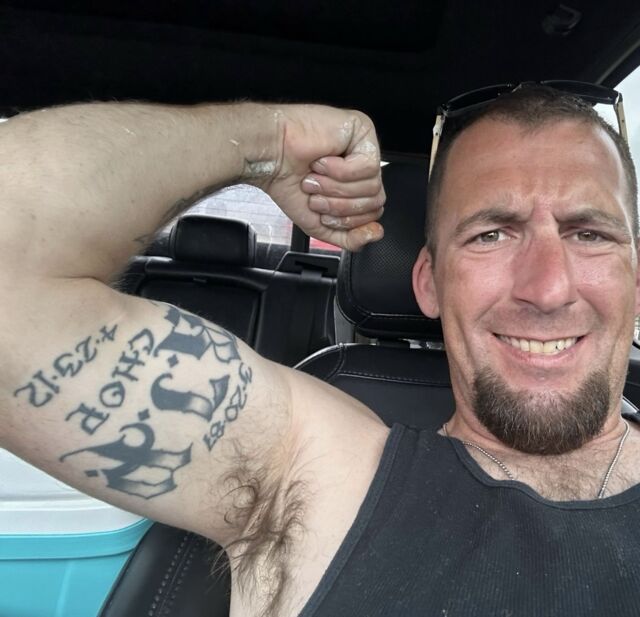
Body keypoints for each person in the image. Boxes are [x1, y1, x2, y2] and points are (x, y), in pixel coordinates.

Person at [0, 85, 639, 616]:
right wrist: (268, 143)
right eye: (491, 235)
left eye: (590, 234)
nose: (547, 288)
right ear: (428, 281)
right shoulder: (313, 475)